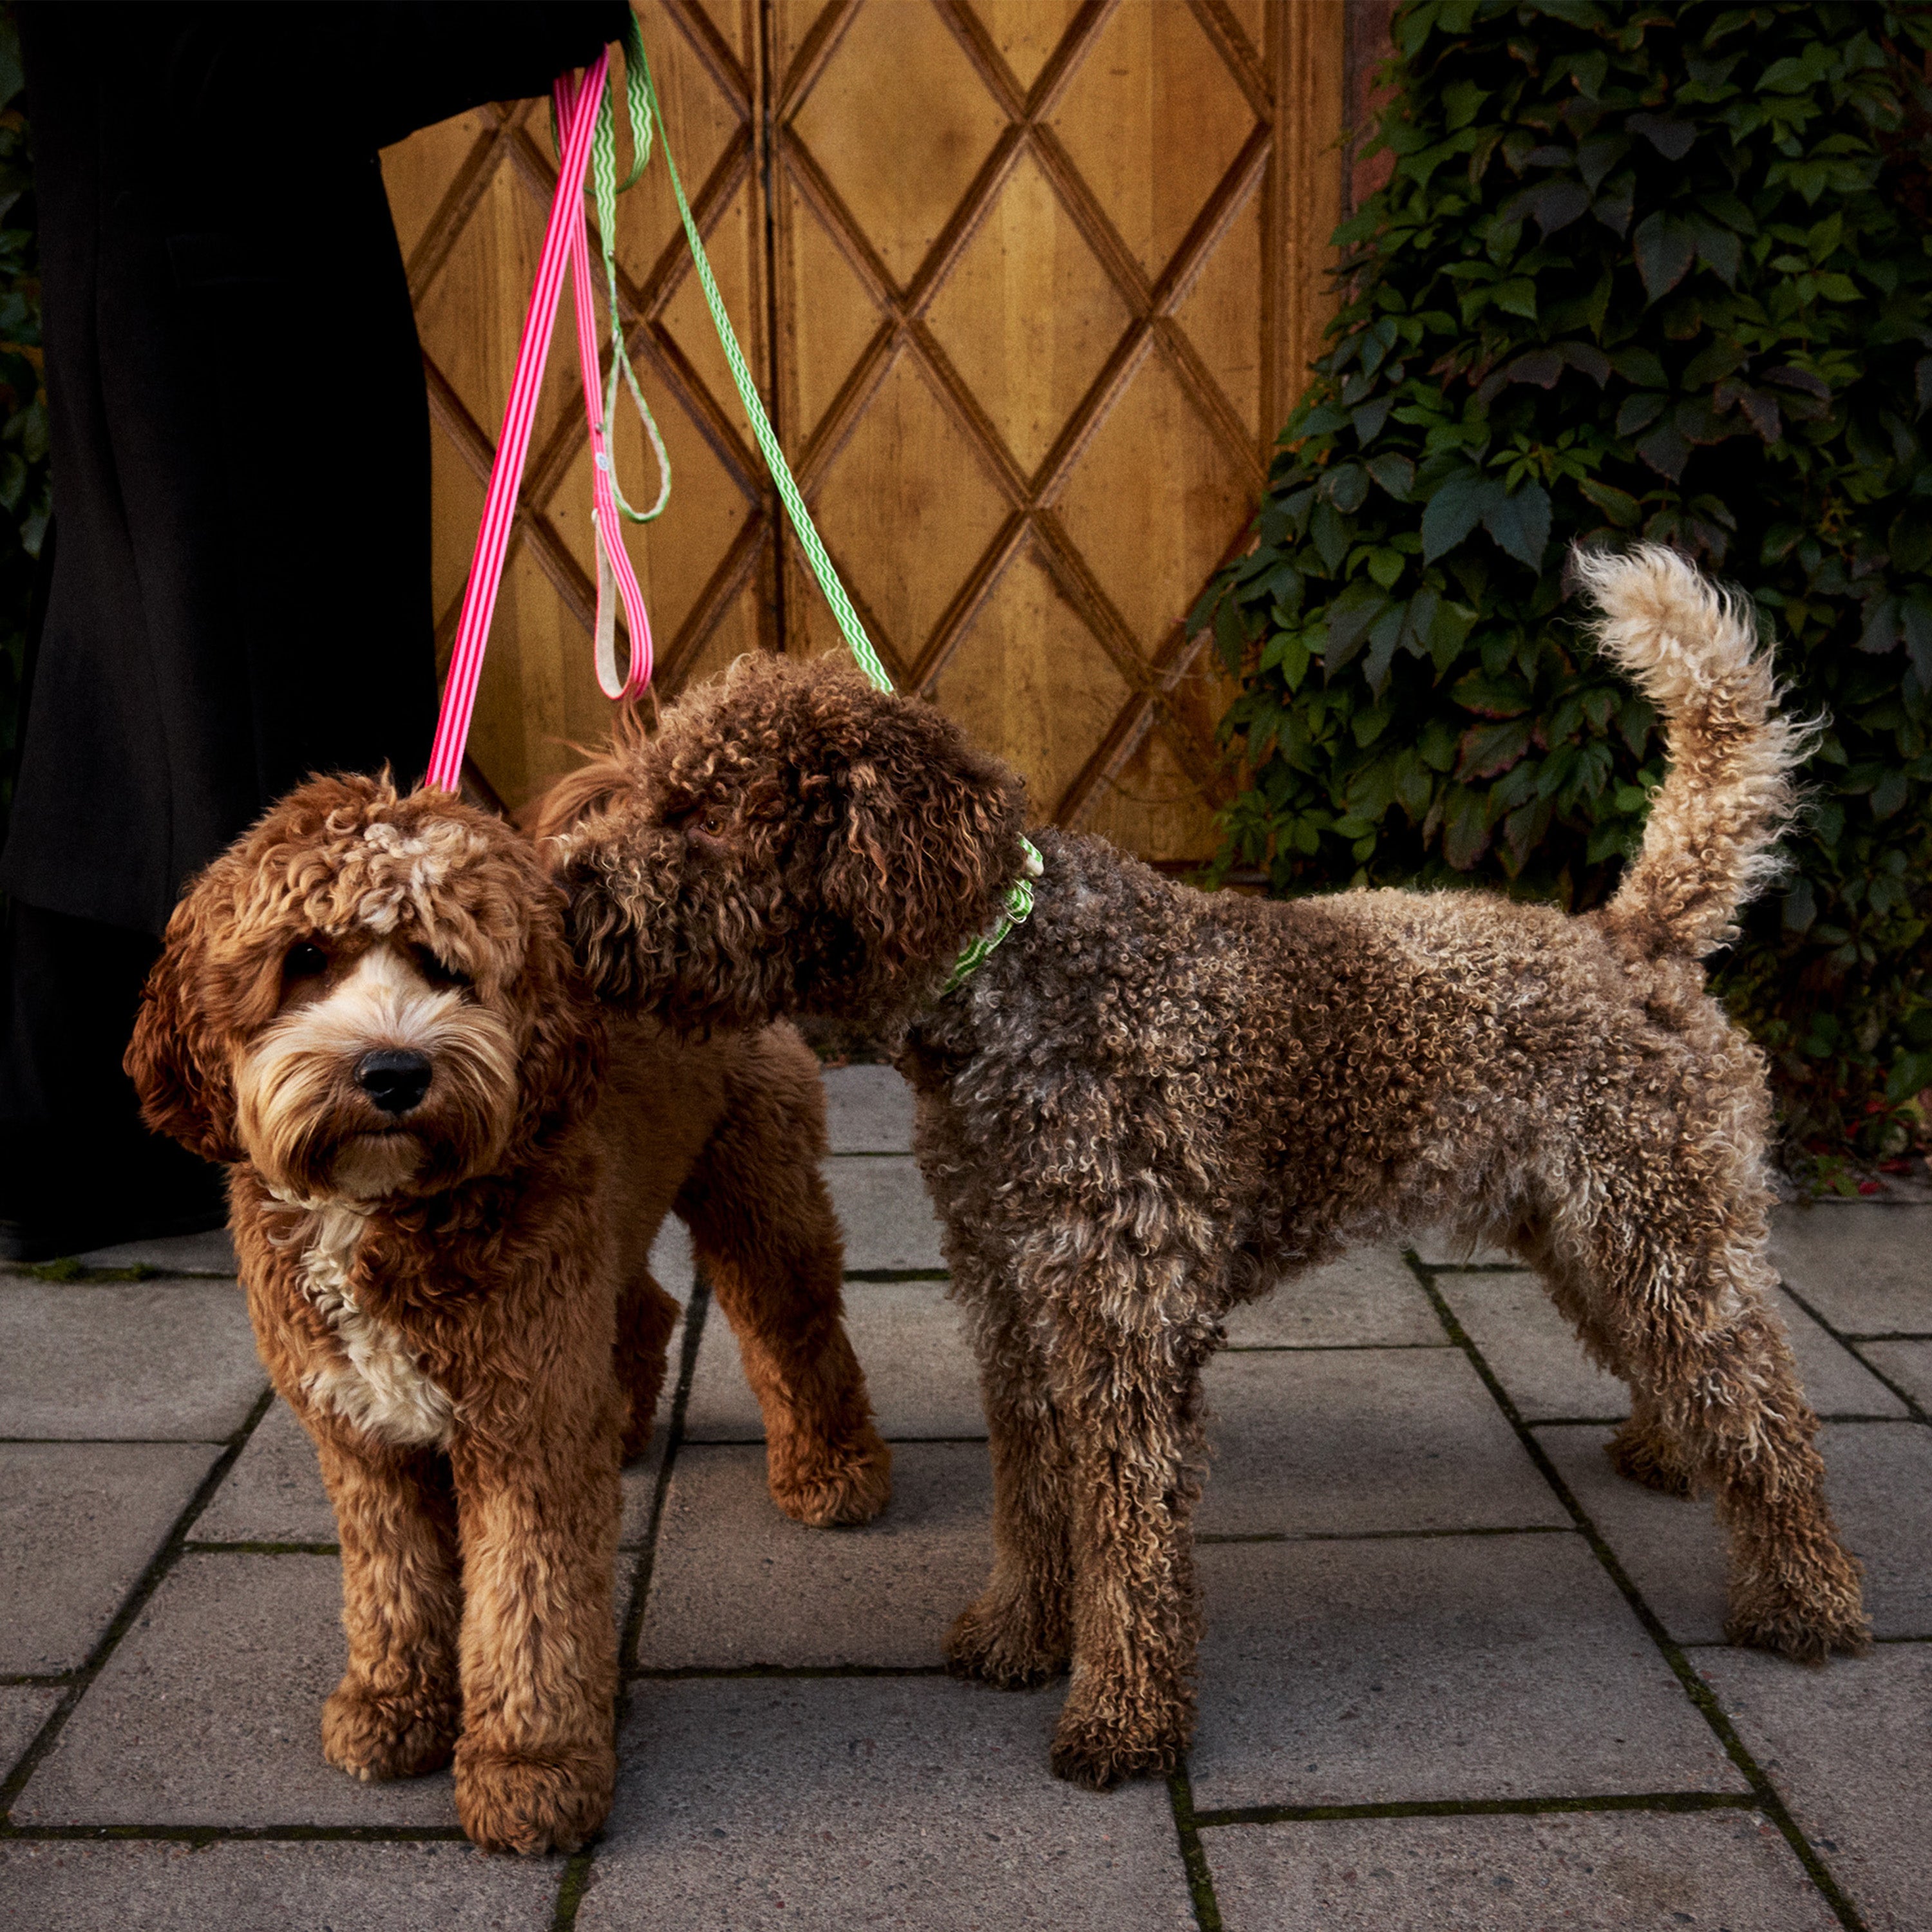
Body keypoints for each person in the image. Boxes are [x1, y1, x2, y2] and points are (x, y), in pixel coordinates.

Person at [0, 2, 630, 1260]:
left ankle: (97, 1149)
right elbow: (230, 67)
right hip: (224, 324)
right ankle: (285, 1136)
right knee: (250, 729)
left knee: (144, 719)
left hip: (197, 298)